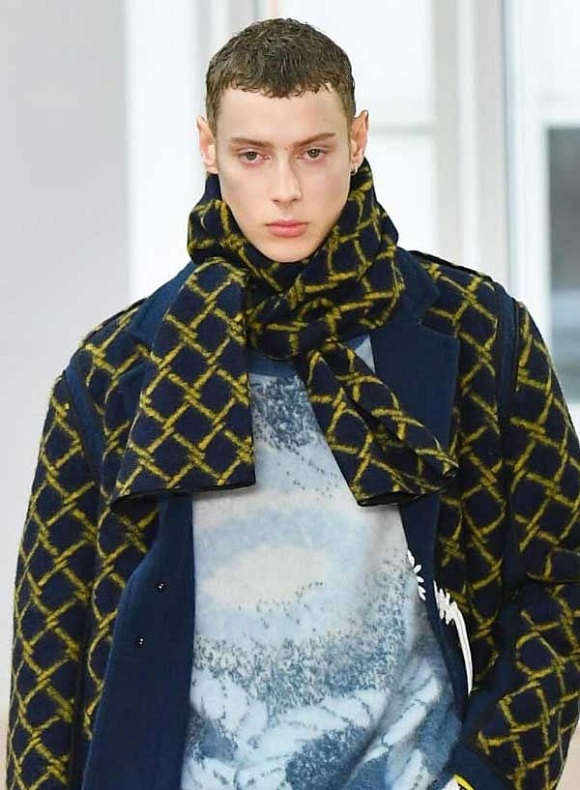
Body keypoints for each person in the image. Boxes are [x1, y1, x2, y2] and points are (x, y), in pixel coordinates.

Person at [6, 16, 580, 790]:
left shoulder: (479, 335)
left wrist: (485, 777)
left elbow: (560, 583)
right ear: (208, 147)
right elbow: (49, 648)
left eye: (313, 152)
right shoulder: (116, 372)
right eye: (253, 154)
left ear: (358, 140)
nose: (286, 188)